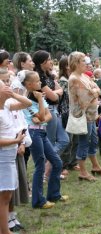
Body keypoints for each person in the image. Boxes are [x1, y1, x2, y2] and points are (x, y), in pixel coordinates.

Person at [20, 70, 68, 208]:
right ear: (29, 84)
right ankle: (38, 200)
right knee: (40, 165)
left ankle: (54, 194)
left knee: (57, 162)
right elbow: (41, 116)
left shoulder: (38, 95)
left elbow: (47, 117)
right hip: (34, 134)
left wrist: (41, 116)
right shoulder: (27, 100)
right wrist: (41, 102)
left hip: (42, 132)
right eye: (37, 81)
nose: (40, 83)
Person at [68, 51, 101, 182]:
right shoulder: (74, 78)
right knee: (84, 143)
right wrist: (94, 92)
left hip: (91, 115)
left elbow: (97, 90)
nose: (87, 63)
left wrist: (94, 91)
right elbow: (86, 97)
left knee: (93, 141)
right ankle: (83, 172)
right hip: (83, 116)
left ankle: (95, 166)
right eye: (84, 61)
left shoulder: (84, 76)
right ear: (76, 63)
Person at [32, 50, 69, 181]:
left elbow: (60, 91)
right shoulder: (39, 78)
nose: (52, 61)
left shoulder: (49, 76)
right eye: (49, 59)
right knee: (50, 142)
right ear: (43, 62)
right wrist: (57, 92)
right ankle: (45, 173)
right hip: (48, 111)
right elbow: (53, 95)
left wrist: (56, 92)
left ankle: (49, 169)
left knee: (64, 140)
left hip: (55, 110)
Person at [0, 81, 27, 234]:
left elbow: (26, 103)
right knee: (3, 198)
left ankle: (6, 233)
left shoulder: (7, 107)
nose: (7, 86)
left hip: (8, 157)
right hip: (3, 157)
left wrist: (13, 94)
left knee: (6, 196)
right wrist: (15, 140)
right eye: (3, 85)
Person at [57, 57, 80, 177]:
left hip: (75, 112)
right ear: (66, 66)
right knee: (68, 140)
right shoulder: (63, 81)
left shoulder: (73, 79)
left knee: (75, 139)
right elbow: (66, 97)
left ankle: (72, 162)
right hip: (67, 112)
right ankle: (63, 165)